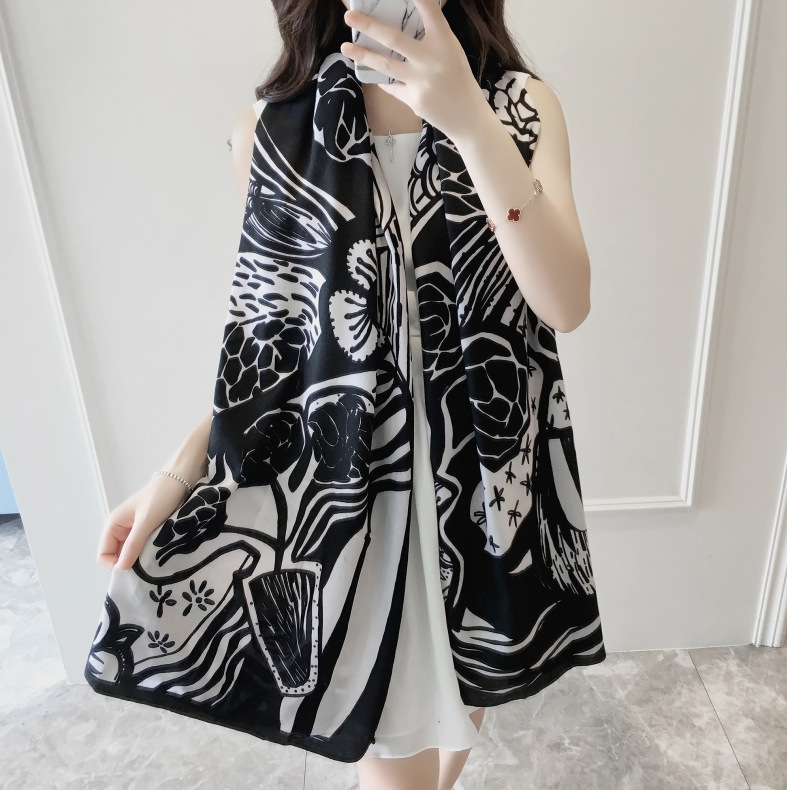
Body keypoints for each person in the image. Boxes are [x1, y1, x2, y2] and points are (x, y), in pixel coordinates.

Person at [93, 0, 601, 788]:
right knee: (391, 761)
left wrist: (469, 122)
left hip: (486, 505)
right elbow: (286, 366)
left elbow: (564, 303)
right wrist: (180, 471)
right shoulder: (271, 133)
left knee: (463, 709)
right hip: (360, 512)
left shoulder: (519, 108)